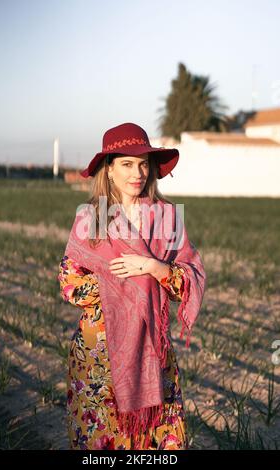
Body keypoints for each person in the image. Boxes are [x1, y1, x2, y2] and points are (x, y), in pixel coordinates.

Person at [58, 122, 206, 450]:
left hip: (153, 351)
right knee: (103, 444)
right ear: (109, 170)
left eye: (143, 163)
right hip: (98, 354)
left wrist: (153, 267)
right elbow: (69, 285)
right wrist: (116, 282)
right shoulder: (91, 218)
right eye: (126, 163)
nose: (137, 172)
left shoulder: (166, 217)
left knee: (156, 442)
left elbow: (190, 279)